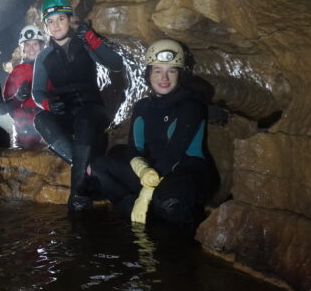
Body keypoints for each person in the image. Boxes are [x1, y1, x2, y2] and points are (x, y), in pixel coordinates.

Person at [87, 39, 219, 225]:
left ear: (179, 74)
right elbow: (134, 149)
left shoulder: (191, 106)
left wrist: (146, 192)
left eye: (171, 71)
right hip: (151, 172)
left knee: (168, 204)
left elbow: (173, 154)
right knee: (98, 167)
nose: (163, 78)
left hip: (186, 175)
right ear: (149, 73)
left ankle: (164, 217)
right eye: (158, 70)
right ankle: (132, 209)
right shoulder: (143, 107)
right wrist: (142, 170)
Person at [32, 0, 123, 211]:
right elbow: (37, 92)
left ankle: (77, 193)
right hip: (67, 112)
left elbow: (116, 64)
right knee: (41, 119)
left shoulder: (84, 43)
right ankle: (85, 166)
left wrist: (93, 40)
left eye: (60, 19)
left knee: (84, 121)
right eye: (50, 22)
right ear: (45, 25)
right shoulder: (43, 57)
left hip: (94, 110)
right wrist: (47, 104)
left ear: (69, 19)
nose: (56, 26)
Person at [2, 24, 46, 148]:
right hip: (24, 128)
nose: (31, 48)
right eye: (27, 44)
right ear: (23, 48)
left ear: (41, 46)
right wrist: (23, 121)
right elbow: (8, 102)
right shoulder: (16, 72)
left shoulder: (49, 69)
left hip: (46, 123)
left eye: (35, 44)